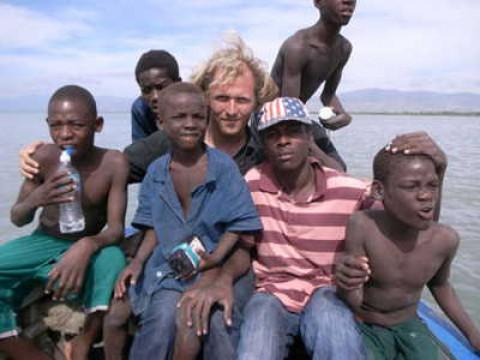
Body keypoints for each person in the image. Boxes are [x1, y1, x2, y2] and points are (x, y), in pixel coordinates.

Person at [119, 82, 262, 360]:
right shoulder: (155, 173)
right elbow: (153, 229)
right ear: (161, 122)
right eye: (179, 117)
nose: (190, 124)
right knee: (158, 322)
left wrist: (216, 257)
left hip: (217, 267)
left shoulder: (223, 168)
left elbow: (240, 223)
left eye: (198, 117)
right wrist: (137, 261)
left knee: (213, 323)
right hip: (171, 270)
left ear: (206, 119)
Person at [0, 85, 128, 360]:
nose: (65, 134)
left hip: (89, 243)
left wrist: (86, 245)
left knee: (114, 260)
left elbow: (116, 229)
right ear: (47, 125)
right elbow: (17, 218)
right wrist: (37, 197)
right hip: (43, 241)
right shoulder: (44, 157)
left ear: (98, 125)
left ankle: (83, 341)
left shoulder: (113, 162)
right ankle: (20, 348)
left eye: (76, 125)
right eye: (56, 126)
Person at [336, 145, 480, 359]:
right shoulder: (363, 225)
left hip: (409, 326)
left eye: (433, 185)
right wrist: (346, 283)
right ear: (379, 191)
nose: (425, 196)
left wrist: (472, 333)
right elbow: (353, 295)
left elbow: (440, 284)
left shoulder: (445, 240)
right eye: (411, 186)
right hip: (365, 324)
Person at [271, 0, 356, 130]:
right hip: (270, 120)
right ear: (318, 2)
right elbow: (289, 107)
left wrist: (344, 117)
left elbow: (328, 95)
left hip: (294, 117)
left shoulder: (344, 48)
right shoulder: (298, 47)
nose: (348, 1)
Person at [131, 49, 181, 141]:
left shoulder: (196, 105)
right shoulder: (140, 109)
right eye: (146, 90)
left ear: (178, 84)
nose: (155, 97)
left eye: (162, 87)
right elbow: (138, 152)